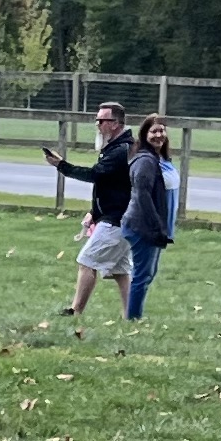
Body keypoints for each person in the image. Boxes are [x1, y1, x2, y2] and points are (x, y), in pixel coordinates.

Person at [44, 102, 134, 330]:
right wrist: (94, 213)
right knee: (121, 271)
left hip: (118, 220)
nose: (98, 124)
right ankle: (132, 316)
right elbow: (111, 187)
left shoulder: (121, 151)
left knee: (86, 261)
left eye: (102, 120)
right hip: (118, 217)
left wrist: (62, 165)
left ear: (115, 124)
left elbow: (96, 175)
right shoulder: (115, 148)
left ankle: (75, 311)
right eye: (97, 120)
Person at [121, 114, 175, 324]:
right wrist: (156, 226)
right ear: (144, 135)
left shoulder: (158, 158)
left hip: (152, 225)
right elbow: (142, 196)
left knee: (146, 274)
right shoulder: (145, 160)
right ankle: (133, 319)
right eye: (154, 131)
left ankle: (134, 316)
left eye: (162, 130)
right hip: (142, 226)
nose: (159, 135)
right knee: (142, 276)